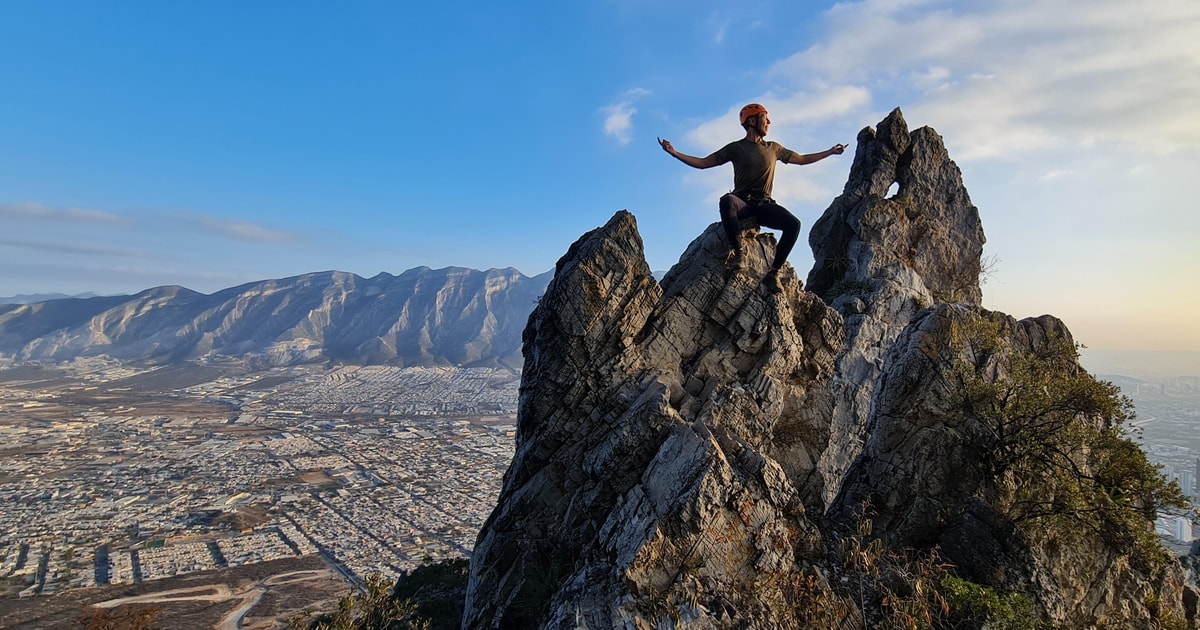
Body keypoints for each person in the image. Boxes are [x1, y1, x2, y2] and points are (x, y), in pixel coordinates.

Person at [658, 103, 845, 293]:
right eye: (765, 118)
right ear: (752, 121)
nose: (769, 122)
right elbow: (704, 163)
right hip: (742, 203)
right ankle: (740, 253)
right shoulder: (736, 148)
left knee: (793, 224)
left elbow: (802, 159)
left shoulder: (774, 148)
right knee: (727, 200)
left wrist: (829, 152)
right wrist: (674, 153)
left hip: (764, 204)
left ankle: (773, 274)